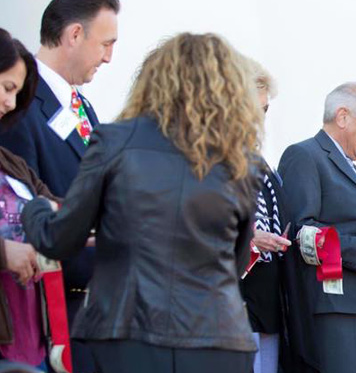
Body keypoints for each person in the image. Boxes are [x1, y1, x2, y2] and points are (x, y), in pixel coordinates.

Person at [21, 32, 262, 373]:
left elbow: (59, 238)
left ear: (155, 82)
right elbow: (235, 262)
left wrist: (36, 208)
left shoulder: (115, 141)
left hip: (129, 334)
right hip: (219, 337)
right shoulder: (241, 162)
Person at [0, 0, 119, 371]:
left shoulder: (80, 106)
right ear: (74, 34)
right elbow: (20, 211)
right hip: (49, 310)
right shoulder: (20, 108)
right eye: (106, 44)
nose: (108, 58)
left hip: (93, 309)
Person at [278, 82, 356, 373]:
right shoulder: (304, 156)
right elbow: (301, 232)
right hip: (335, 305)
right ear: (343, 116)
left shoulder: (352, 168)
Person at [0, 28, 62, 369]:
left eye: (17, 93)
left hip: (32, 342)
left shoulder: (12, 163)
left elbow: (60, 208)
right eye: (7, 88)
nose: (10, 103)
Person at [238, 58, 291, 373]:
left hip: (266, 291)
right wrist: (250, 237)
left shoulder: (255, 155)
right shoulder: (212, 153)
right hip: (237, 295)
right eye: (253, 108)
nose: (260, 118)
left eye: (265, 110)